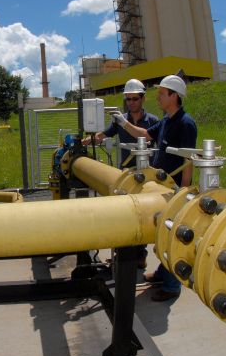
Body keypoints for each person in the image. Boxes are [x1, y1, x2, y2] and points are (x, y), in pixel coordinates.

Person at [122, 74, 197, 301]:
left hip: (173, 188)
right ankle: (163, 273)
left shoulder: (185, 123)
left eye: (163, 93)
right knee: (160, 231)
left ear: (174, 96)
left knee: (170, 234)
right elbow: (145, 134)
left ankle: (172, 286)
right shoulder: (166, 121)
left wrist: (183, 193)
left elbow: (188, 159)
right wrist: (122, 123)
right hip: (160, 185)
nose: (159, 97)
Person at [83, 78, 158, 268]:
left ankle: (140, 256)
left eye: (134, 99)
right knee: (123, 216)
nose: (131, 103)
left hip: (145, 177)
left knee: (142, 216)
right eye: (128, 99)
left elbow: (144, 136)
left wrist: (124, 123)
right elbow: (104, 135)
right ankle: (122, 256)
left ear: (143, 99)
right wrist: (87, 140)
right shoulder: (119, 121)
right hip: (126, 174)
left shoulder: (152, 121)